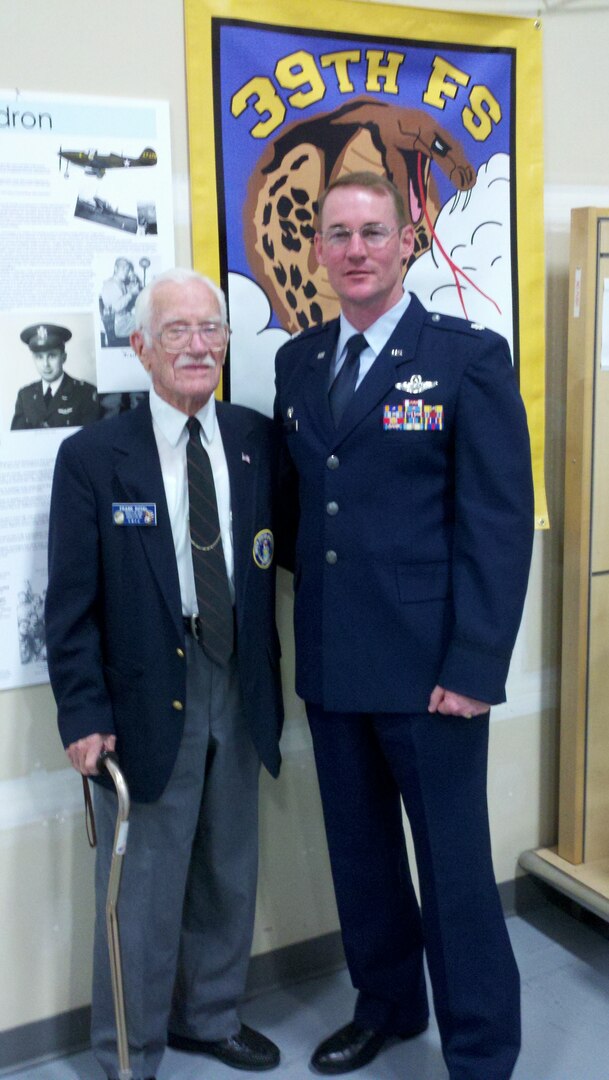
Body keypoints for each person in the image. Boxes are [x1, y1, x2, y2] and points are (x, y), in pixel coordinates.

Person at [274, 172, 534, 1080]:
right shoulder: (297, 361)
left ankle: (480, 1050)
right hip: (336, 661)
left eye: (372, 232)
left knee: (456, 874)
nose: (354, 250)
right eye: (337, 234)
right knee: (363, 863)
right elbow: (311, 512)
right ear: (318, 249)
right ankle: (385, 1004)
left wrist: (474, 665)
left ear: (406, 240)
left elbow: (497, 528)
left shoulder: (467, 357)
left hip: (433, 673)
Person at [46, 268, 284, 1080]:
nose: (196, 345)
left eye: (209, 329)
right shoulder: (93, 457)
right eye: (175, 330)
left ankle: (210, 1016)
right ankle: (127, 1051)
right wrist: (82, 713)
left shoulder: (255, 440)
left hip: (235, 680)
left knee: (228, 865)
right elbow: (69, 602)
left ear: (225, 343)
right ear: (141, 347)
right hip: (144, 692)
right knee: (142, 890)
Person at [11, 323, 100, 429]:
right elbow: (17, 439)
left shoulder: (86, 393)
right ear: (33, 359)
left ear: (63, 357)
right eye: (39, 357)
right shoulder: (25, 395)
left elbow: (92, 438)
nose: (45, 364)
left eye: (52, 356)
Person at [100, 257, 142, 344]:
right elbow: (116, 307)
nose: (125, 271)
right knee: (149, 324)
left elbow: (124, 299)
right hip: (119, 326)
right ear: (115, 268)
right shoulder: (110, 284)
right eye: (123, 268)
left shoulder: (120, 283)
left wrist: (131, 287)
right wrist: (131, 294)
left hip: (125, 319)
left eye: (127, 269)